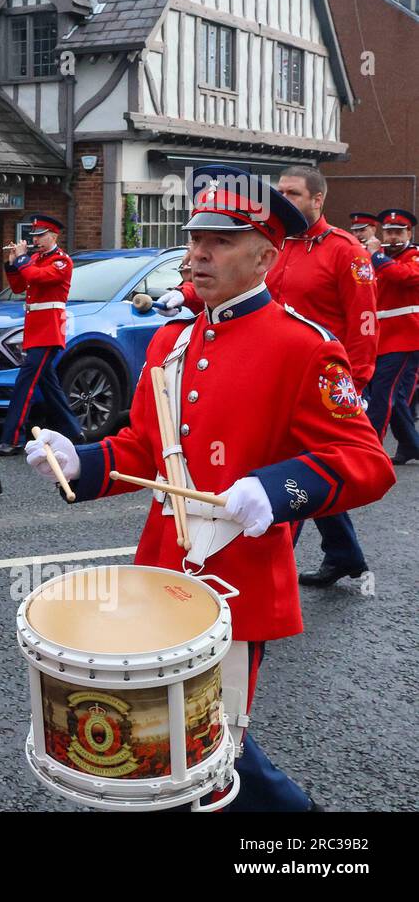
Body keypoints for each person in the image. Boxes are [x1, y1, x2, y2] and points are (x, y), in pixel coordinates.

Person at [26, 165, 394, 811]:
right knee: (169, 746)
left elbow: (366, 461)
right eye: (196, 238)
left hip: (236, 580)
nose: (198, 253)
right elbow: (145, 448)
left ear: (266, 257)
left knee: (209, 747)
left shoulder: (302, 348)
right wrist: (79, 460)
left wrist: (277, 491)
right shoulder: (172, 343)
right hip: (162, 570)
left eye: (221, 240)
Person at [264, 166, 379, 589]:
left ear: (318, 200)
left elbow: (364, 324)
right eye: (279, 192)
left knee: (284, 470)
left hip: (324, 383)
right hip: (276, 375)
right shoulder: (276, 244)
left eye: (292, 193)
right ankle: (344, 553)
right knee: (310, 464)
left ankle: (269, 574)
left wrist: (356, 386)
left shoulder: (347, 252)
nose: (283, 198)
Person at [0, 214, 82, 456]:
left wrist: (22, 259)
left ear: (54, 236)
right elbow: (19, 287)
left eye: (41, 236)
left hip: (49, 328)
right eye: (34, 236)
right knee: (48, 383)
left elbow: (36, 277)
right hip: (35, 327)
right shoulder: (33, 259)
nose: (36, 240)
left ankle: (12, 438)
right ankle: (75, 430)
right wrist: (13, 263)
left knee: (25, 382)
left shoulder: (61, 261)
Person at [365, 208, 419, 464]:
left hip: (407, 337)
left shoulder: (414, 255)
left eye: (399, 232)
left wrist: (375, 254)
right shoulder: (378, 258)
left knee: (382, 396)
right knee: (392, 397)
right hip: (379, 338)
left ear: (409, 233)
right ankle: (411, 445)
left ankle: (370, 448)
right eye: (389, 232)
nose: (394, 237)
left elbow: (405, 277)